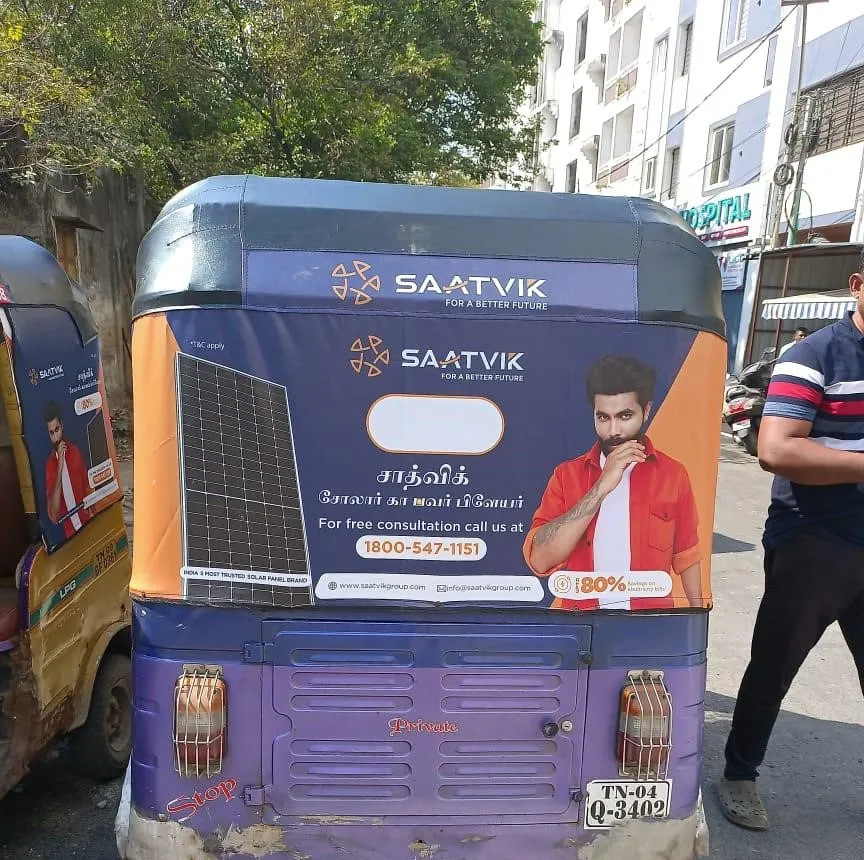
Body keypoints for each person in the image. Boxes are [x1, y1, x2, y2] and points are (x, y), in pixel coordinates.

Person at [719, 251, 864, 832]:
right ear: (858, 285)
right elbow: (776, 448)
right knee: (776, 662)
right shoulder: (814, 355)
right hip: (816, 538)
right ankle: (739, 774)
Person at [523, 354, 702, 610]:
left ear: (647, 411)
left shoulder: (673, 475)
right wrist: (600, 487)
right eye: (603, 418)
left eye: (625, 416)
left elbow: (687, 555)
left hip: (649, 629)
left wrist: (695, 626)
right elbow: (539, 560)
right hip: (583, 630)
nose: (613, 430)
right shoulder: (567, 476)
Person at [44, 400, 92, 538]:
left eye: (57, 430)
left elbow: (87, 486)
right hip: (70, 535)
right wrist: (60, 466)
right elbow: (54, 515)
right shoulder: (50, 466)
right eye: (51, 433)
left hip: (88, 524)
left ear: (62, 426)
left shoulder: (75, 452)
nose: (55, 437)